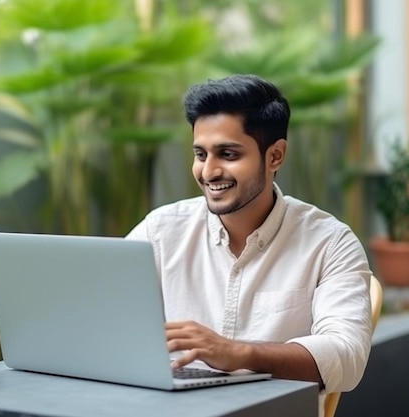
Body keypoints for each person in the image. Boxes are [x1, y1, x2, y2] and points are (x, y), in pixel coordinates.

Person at [125, 74, 372, 412]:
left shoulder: (330, 243)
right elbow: (104, 320)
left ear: (275, 156)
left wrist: (238, 353)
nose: (209, 171)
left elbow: (346, 356)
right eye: (200, 154)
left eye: (227, 154)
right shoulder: (160, 231)